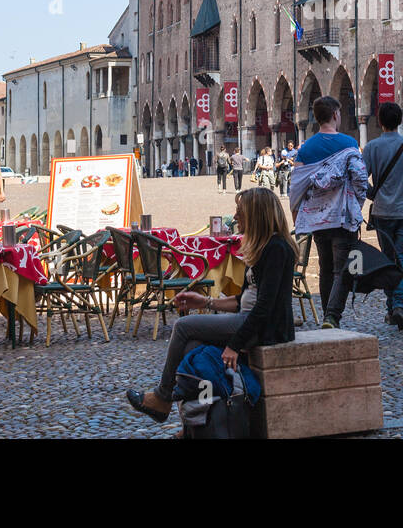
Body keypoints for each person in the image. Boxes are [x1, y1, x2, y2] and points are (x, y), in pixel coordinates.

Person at [126, 186, 297, 423]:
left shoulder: (277, 249)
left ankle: (163, 396)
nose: (235, 217)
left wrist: (235, 345)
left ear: (257, 215)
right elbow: (243, 300)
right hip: (250, 320)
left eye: (240, 211)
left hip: (266, 328)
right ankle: (198, 421)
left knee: (184, 327)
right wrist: (205, 300)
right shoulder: (261, 247)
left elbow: (264, 308)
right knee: (192, 347)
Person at [289, 96, 368, 329]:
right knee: (342, 268)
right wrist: (357, 205)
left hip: (316, 219)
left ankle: (326, 315)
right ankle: (332, 316)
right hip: (342, 217)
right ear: (335, 114)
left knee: (325, 266)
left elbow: (296, 187)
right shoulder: (349, 144)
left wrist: (296, 216)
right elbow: (360, 179)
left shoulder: (306, 149)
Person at [362, 102, 403, 330]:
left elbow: (360, 181)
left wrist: (374, 195)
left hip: (382, 213)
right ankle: (398, 305)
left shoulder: (371, 148)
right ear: (400, 121)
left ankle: (392, 309)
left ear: (379, 121)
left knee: (388, 260)